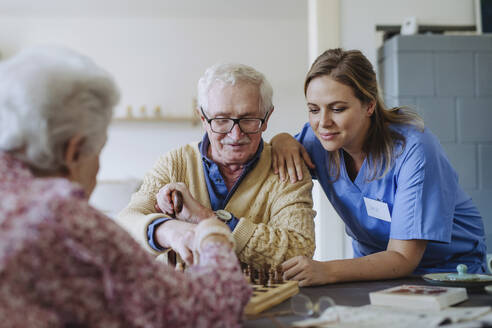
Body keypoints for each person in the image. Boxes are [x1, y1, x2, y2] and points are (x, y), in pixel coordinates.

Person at [0, 46, 250, 327]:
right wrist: (211, 229)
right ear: (74, 153)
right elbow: (211, 310)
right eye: (99, 150)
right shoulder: (66, 220)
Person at [271, 48, 487, 286]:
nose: (323, 122)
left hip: (447, 272)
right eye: (313, 109)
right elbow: (272, 163)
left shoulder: (414, 149)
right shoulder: (318, 140)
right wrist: (281, 139)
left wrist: (326, 270)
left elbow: (404, 257)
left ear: (369, 106)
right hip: (373, 270)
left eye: (338, 109)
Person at [117, 63, 316, 268]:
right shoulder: (174, 163)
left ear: (266, 118)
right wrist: (168, 230)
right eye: (221, 120)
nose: (235, 135)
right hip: (182, 297)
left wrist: (207, 218)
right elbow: (125, 224)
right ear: (203, 118)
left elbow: (299, 251)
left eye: (248, 119)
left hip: (264, 299)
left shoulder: (287, 167)